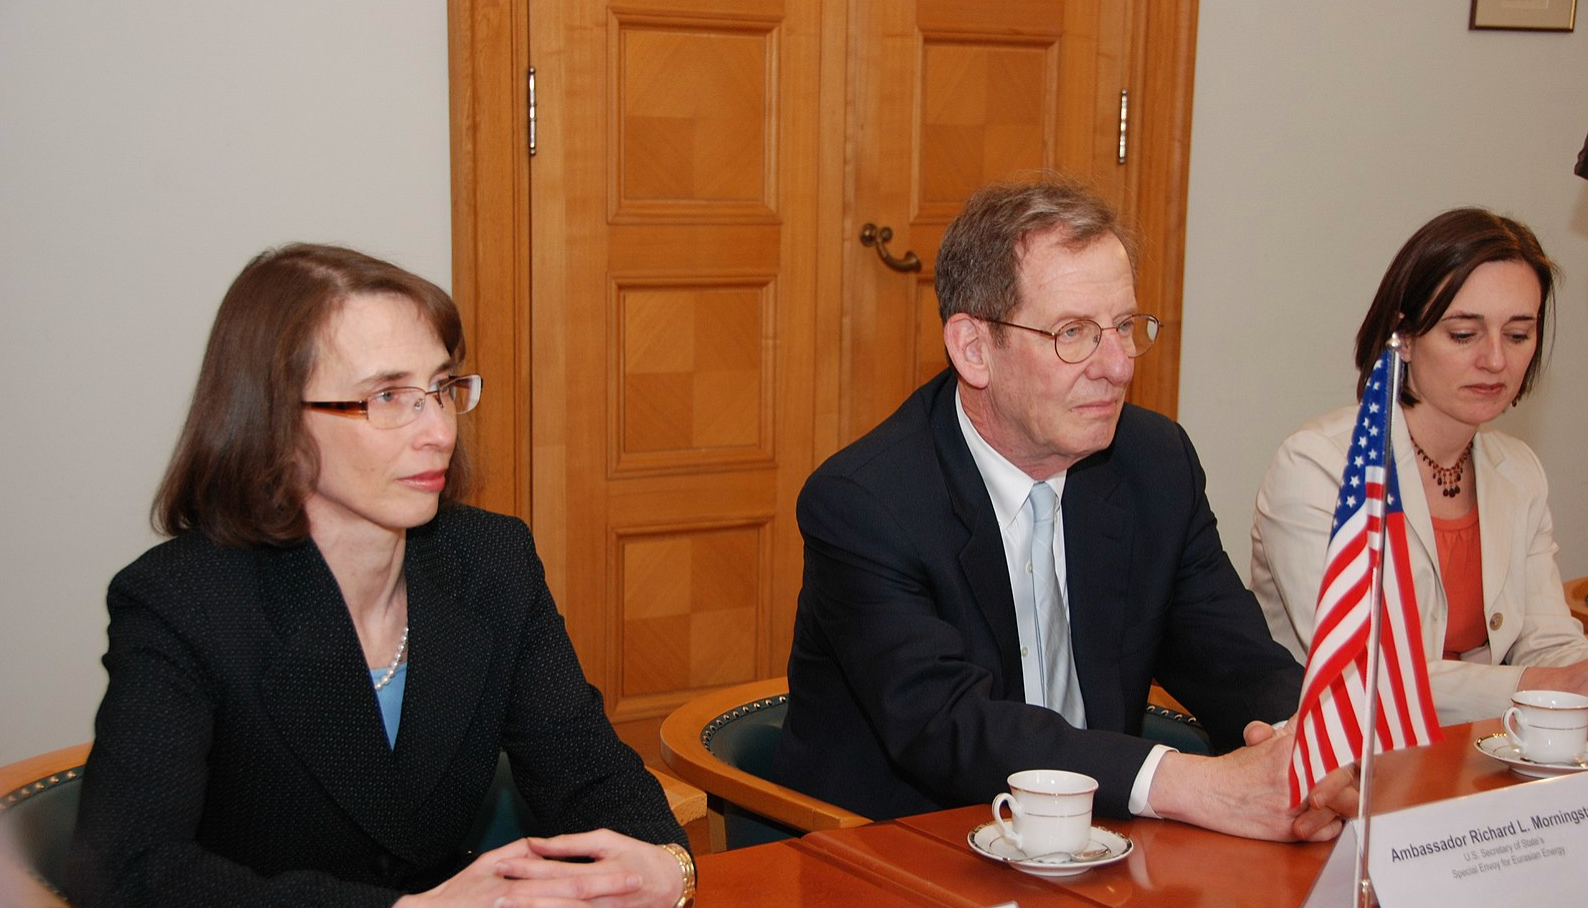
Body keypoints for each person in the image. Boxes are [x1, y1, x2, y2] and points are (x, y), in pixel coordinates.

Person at [68, 244, 695, 908]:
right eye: (389, 396)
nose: (438, 432)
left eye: (443, 389)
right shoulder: (181, 602)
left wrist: (668, 865)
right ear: (278, 422)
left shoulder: (491, 561)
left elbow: (587, 773)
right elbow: (129, 873)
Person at [770, 174, 1355, 842]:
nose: (1119, 365)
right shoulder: (868, 503)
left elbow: (1235, 661)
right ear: (974, 349)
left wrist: (1305, 747)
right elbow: (949, 729)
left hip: (1099, 847)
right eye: (1074, 332)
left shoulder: (1153, 463)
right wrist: (1192, 783)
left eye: (1126, 326)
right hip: (908, 848)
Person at [1252, 207, 1588, 725]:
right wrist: (1543, 686)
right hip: (1343, 771)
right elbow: (1367, 671)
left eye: (1518, 335)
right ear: (1402, 337)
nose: (1496, 360)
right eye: (1463, 334)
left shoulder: (1519, 469)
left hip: (1479, 758)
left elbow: (1547, 641)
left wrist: (1575, 675)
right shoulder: (1320, 464)